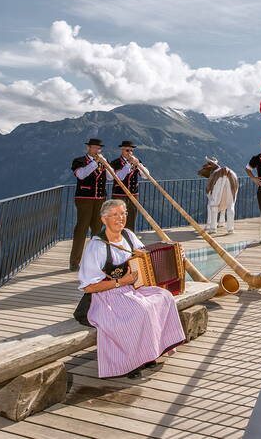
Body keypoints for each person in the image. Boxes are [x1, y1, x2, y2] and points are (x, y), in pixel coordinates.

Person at [77, 199, 185, 379]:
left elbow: (145, 258)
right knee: (139, 310)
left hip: (131, 288)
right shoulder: (96, 246)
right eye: (114, 215)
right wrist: (121, 282)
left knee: (164, 297)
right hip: (105, 295)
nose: (120, 218)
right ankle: (131, 362)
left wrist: (176, 255)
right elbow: (88, 287)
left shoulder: (128, 235)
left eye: (123, 213)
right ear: (104, 220)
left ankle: (149, 353)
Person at [69, 138, 108, 271]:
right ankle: (74, 262)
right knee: (81, 229)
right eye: (95, 148)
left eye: (99, 148)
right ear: (88, 148)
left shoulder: (102, 162)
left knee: (97, 230)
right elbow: (81, 175)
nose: (97, 150)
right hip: (84, 198)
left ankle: (94, 261)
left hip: (100, 199)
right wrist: (95, 163)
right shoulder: (79, 161)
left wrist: (106, 164)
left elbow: (110, 177)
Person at [109, 140, 144, 231]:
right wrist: (129, 164)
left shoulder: (137, 162)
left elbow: (145, 176)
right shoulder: (115, 162)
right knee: (118, 219)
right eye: (127, 150)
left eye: (131, 150)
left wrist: (139, 165)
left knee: (131, 219)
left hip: (133, 195)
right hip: (119, 195)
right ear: (122, 150)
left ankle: (129, 240)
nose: (130, 153)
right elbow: (119, 177)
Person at [198, 157, 238, 235]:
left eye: (205, 168)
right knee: (230, 205)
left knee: (213, 204)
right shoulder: (232, 173)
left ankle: (212, 227)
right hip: (232, 178)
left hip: (217, 180)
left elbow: (210, 202)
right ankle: (230, 228)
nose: (202, 171)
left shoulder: (213, 174)